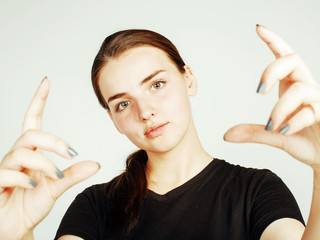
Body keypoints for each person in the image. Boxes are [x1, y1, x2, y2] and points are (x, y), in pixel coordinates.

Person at [0, 24, 319, 240]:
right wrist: (14, 234)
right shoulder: (94, 207)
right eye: (123, 104)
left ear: (188, 79)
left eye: (156, 84)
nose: (145, 112)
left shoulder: (257, 190)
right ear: (112, 118)